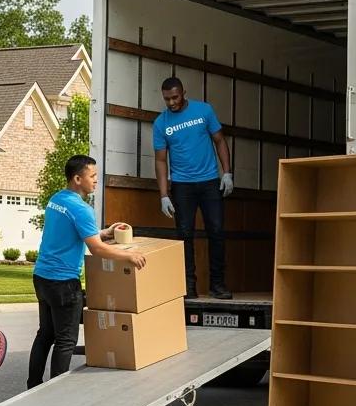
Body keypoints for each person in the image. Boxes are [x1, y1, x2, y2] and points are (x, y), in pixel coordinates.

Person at [28, 155, 146, 389]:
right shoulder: (81, 209)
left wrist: (105, 232)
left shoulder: (56, 200)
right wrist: (129, 256)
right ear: (77, 178)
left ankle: (33, 386)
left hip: (42, 277)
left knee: (46, 335)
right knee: (65, 341)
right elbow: (96, 248)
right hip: (63, 282)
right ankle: (56, 393)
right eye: (92, 176)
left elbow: (79, 233)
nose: (95, 181)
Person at [154, 77, 234, 299]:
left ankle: (217, 285)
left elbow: (219, 140)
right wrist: (163, 195)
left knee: (216, 232)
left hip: (209, 181)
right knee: (184, 235)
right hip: (182, 186)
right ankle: (188, 286)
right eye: (167, 99)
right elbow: (161, 160)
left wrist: (227, 172)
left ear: (184, 92)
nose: (171, 103)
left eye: (175, 97)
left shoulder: (204, 111)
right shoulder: (161, 123)